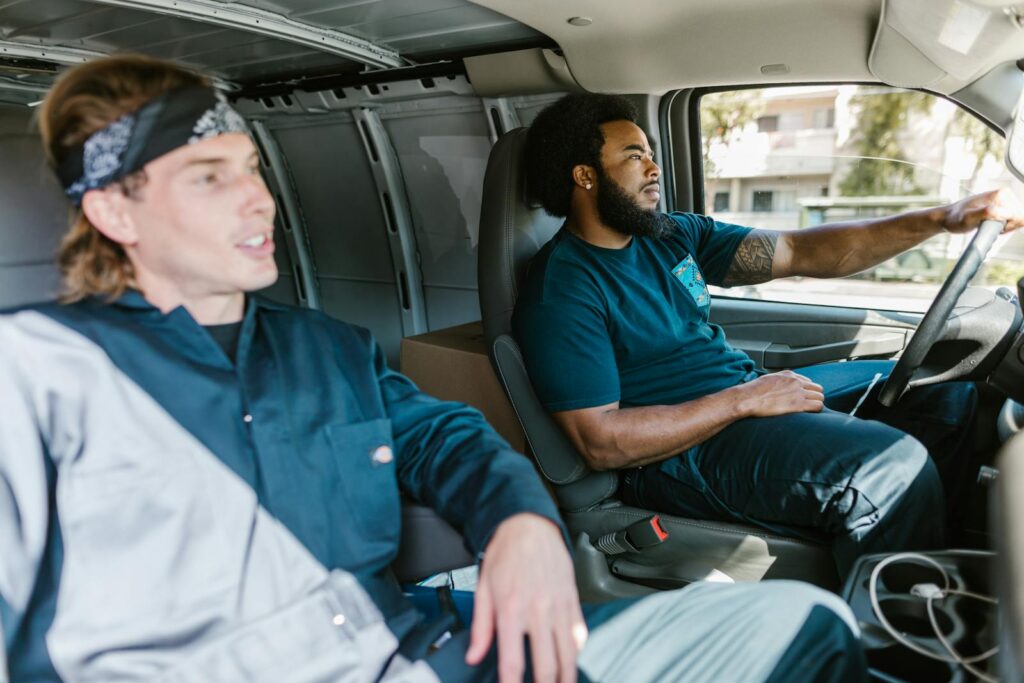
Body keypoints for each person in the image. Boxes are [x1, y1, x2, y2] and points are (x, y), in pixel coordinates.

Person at [0, 56, 866, 682]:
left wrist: (521, 524)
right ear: (116, 209)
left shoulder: (324, 348)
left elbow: (448, 436)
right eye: (208, 178)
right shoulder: (38, 374)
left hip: (419, 645)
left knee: (808, 624)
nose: (257, 200)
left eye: (254, 171)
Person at [513, 93, 1024, 578]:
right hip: (672, 457)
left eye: (651, 153)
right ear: (585, 176)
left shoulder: (669, 235)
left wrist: (942, 218)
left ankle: (935, 571)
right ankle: (898, 637)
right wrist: (743, 401)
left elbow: (803, 252)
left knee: (943, 392)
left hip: (738, 400)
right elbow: (603, 442)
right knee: (887, 469)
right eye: (634, 155)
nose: (655, 168)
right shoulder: (563, 288)